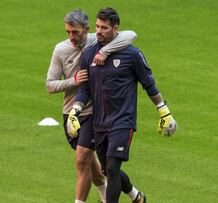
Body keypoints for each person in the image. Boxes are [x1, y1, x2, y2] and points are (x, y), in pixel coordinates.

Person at [67, 7, 178, 203]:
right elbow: (85, 89)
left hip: (123, 121)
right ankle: (137, 197)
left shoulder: (132, 55)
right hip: (99, 123)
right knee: (107, 170)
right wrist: (75, 112)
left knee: (112, 168)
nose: (99, 31)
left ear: (115, 29)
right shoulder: (88, 55)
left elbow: (148, 84)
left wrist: (164, 111)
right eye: (97, 26)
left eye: (104, 28)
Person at [46, 9, 138, 203]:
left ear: (85, 30)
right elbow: (50, 85)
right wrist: (73, 81)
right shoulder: (60, 50)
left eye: (75, 32)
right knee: (95, 164)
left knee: (82, 158)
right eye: (68, 32)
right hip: (71, 110)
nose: (71, 37)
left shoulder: (96, 41)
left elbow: (130, 35)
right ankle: (133, 195)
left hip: (95, 112)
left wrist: (105, 51)